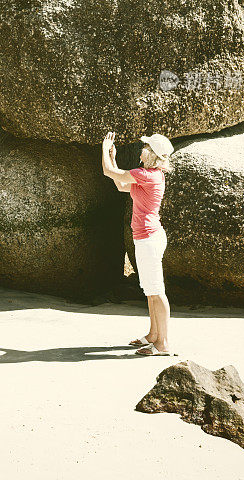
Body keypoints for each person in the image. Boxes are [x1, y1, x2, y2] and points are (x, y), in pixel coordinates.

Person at [101, 130, 176, 357]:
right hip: (147, 238)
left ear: (150, 154)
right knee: (151, 291)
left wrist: (105, 151)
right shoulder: (148, 175)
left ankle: (162, 344)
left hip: (149, 239)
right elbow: (120, 185)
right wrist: (113, 158)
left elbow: (108, 173)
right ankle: (153, 336)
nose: (141, 151)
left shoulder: (148, 175)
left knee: (157, 291)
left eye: (145, 148)